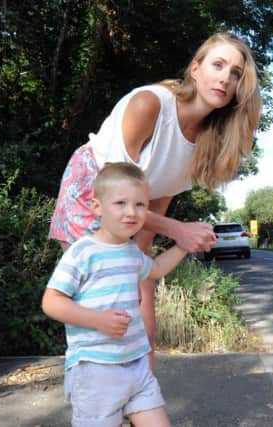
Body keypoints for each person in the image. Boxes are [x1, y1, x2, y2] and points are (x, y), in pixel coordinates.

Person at [49, 31, 262, 369]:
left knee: (142, 321)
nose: (225, 77)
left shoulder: (207, 145)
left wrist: (144, 282)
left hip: (134, 209)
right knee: (105, 309)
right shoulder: (150, 105)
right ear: (195, 69)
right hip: (93, 191)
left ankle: (138, 400)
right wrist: (180, 231)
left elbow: (152, 212)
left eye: (235, 73)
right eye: (218, 65)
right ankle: (96, 401)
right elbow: (117, 194)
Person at [42, 162, 186, 427]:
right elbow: (51, 301)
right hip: (96, 369)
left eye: (141, 204)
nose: (132, 212)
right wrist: (97, 320)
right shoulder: (82, 253)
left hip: (136, 363)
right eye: (120, 203)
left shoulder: (132, 251)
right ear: (97, 207)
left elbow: (155, 270)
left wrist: (183, 246)